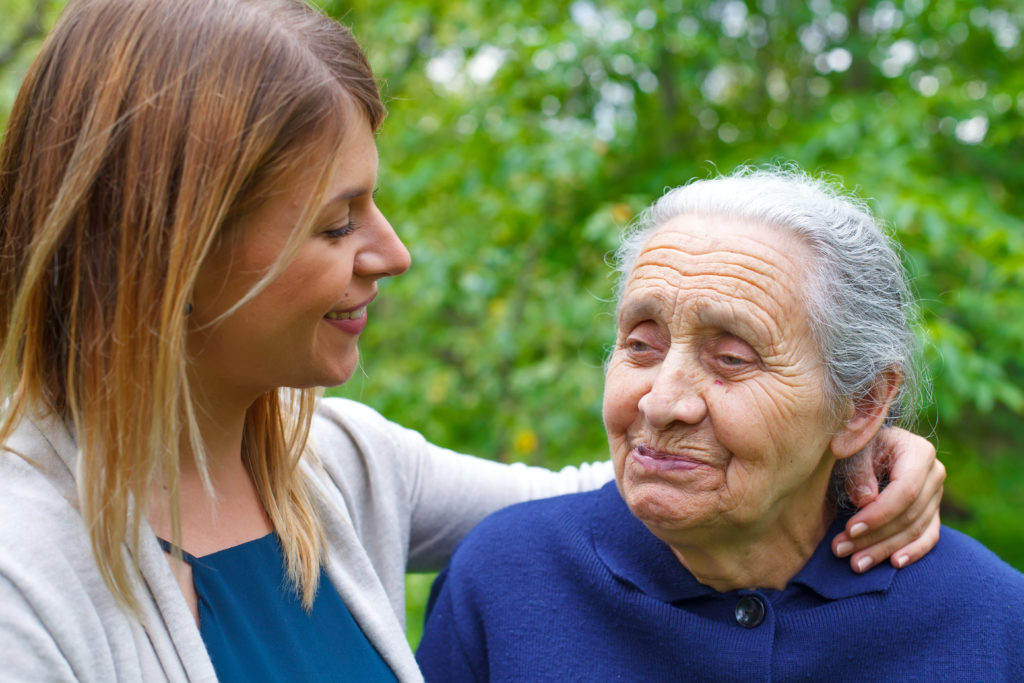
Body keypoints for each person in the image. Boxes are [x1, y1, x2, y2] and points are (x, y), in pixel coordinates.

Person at [0, 1, 943, 680]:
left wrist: (853, 429)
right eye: (336, 226)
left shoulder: (335, 463)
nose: (393, 252)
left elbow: (636, 482)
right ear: (174, 253)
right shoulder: (23, 574)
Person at [415, 167, 1024, 682]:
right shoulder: (505, 579)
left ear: (862, 405)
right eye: (641, 345)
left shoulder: (990, 620)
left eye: (731, 359)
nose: (661, 401)